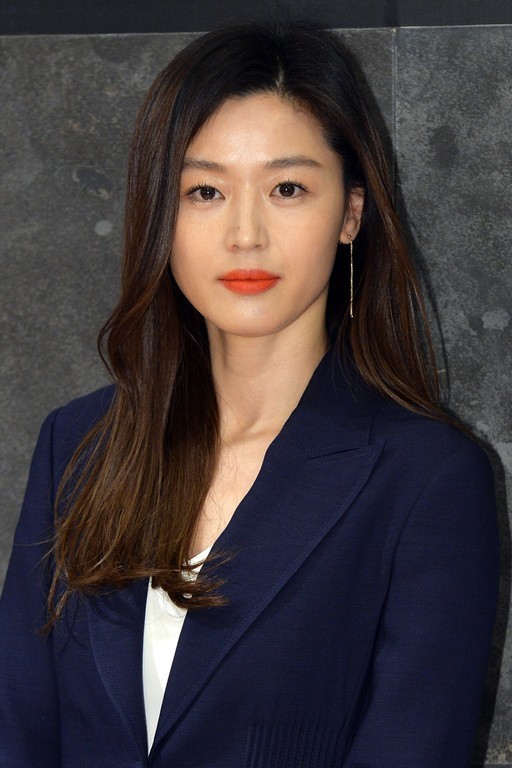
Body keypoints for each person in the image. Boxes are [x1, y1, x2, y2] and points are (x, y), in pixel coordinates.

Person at [0, 22, 499, 768]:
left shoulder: (428, 478)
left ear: (351, 214)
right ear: (161, 214)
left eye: (287, 188)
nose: (244, 234)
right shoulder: (76, 445)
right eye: (205, 191)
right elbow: (18, 729)